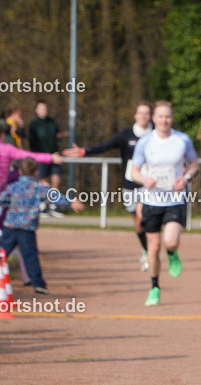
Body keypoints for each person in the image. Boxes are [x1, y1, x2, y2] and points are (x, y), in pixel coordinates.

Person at [64, 101, 153, 269]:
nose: (143, 116)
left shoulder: (156, 134)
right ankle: (146, 250)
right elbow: (105, 146)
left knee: (143, 216)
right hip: (130, 183)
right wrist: (85, 151)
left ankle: (152, 252)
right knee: (137, 221)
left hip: (149, 183)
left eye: (147, 113)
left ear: (151, 116)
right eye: (140, 113)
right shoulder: (126, 135)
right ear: (135, 115)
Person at [126, 101, 198, 306]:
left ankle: (173, 253)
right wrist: (143, 180)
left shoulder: (182, 140)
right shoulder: (145, 142)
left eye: (168, 116)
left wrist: (185, 178)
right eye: (160, 116)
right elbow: (134, 171)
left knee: (171, 241)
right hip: (151, 200)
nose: (164, 120)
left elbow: (193, 163)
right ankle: (155, 287)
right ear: (154, 118)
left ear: (172, 118)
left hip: (175, 198)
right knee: (154, 248)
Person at [0, 157, 85, 294]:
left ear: (20, 172)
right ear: (36, 172)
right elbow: (54, 196)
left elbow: (0, 200)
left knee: (0, 252)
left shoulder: (13, 187)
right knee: (31, 256)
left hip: (10, 225)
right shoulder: (39, 188)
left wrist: (3, 198)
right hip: (27, 228)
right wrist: (70, 202)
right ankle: (38, 284)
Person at [28, 100, 63, 192]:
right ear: (36, 110)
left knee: (57, 179)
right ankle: (46, 201)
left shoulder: (52, 122)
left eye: (45, 107)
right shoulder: (34, 124)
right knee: (44, 180)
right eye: (42, 108)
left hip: (55, 154)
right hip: (41, 156)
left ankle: (53, 200)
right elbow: (32, 141)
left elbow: (58, 135)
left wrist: (59, 136)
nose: (44, 109)